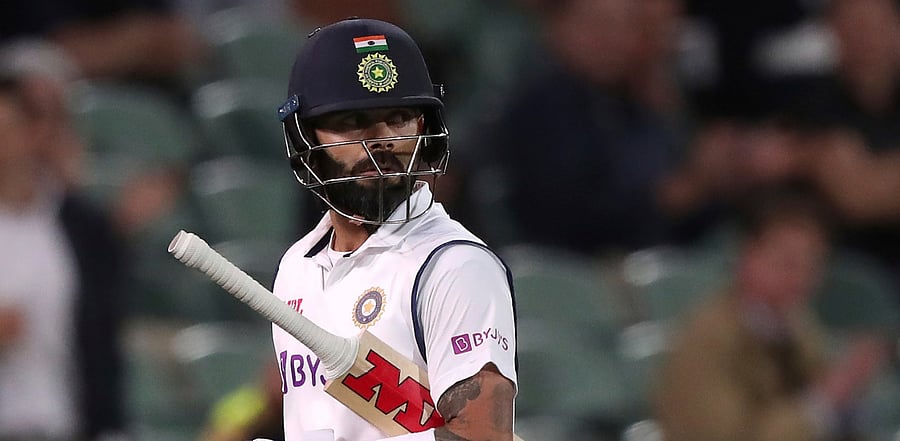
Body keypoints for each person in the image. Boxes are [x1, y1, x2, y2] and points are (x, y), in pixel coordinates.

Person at [271, 18, 518, 441]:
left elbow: (481, 436)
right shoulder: (296, 267)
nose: (381, 140)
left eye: (399, 117)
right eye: (352, 122)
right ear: (304, 136)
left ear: (423, 127)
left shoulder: (454, 266)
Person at [653, 186, 892, 441]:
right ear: (748, 257)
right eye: (787, 263)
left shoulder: (795, 321)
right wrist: (827, 397)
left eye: (811, 264)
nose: (800, 278)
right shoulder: (707, 340)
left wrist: (851, 383)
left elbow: (821, 403)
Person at [0, 70, 129, 439]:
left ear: (33, 132)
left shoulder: (79, 225)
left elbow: (102, 333)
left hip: (69, 424)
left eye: (9, 128)